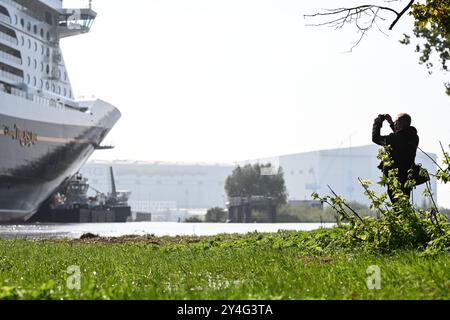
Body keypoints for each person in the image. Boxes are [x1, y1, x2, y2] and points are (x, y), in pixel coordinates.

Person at [372, 113, 419, 202]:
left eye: (396, 123)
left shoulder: (394, 138)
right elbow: (402, 136)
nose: (395, 124)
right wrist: (391, 123)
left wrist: (377, 122)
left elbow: (376, 138)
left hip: (395, 179)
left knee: (398, 208)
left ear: (400, 124)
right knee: (404, 205)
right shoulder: (414, 137)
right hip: (407, 179)